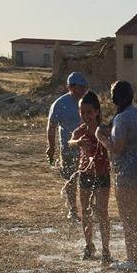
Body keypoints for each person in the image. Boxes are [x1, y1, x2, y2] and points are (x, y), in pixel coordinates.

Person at [96, 80, 137, 271]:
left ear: (116, 98)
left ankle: (131, 260)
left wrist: (101, 137)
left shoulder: (122, 119)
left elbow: (117, 148)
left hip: (129, 171)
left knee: (127, 216)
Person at [67, 90, 112, 264]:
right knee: (85, 212)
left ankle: (106, 249)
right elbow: (70, 141)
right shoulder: (81, 131)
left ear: (97, 112)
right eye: (82, 112)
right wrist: (78, 143)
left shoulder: (105, 130)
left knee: (102, 213)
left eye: (89, 112)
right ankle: (89, 245)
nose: (86, 116)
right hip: (85, 174)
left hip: (102, 175)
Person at [47, 72, 87, 220]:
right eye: (81, 87)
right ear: (71, 87)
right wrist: (51, 147)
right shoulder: (60, 103)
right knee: (70, 179)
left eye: (85, 87)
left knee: (87, 179)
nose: (84, 90)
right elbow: (51, 127)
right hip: (68, 149)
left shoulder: (87, 101)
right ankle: (73, 209)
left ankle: (87, 208)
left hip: (86, 149)